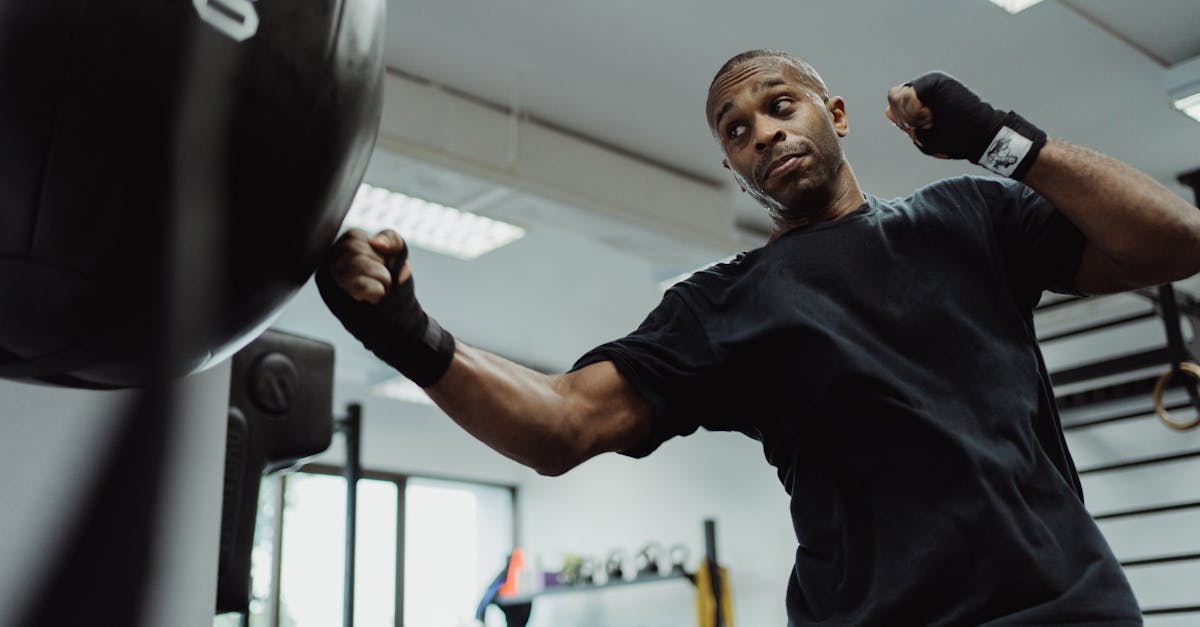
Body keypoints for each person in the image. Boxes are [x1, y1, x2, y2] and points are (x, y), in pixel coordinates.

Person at [316, 50, 1200, 624]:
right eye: (735, 131)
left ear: (836, 114)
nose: (763, 132)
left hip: (1070, 608)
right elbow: (562, 423)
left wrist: (1003, 142)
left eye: (780, 105)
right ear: (734, 169)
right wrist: (407, 335)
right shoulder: (723, 306)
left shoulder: (966, 217)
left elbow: (1175, 239)